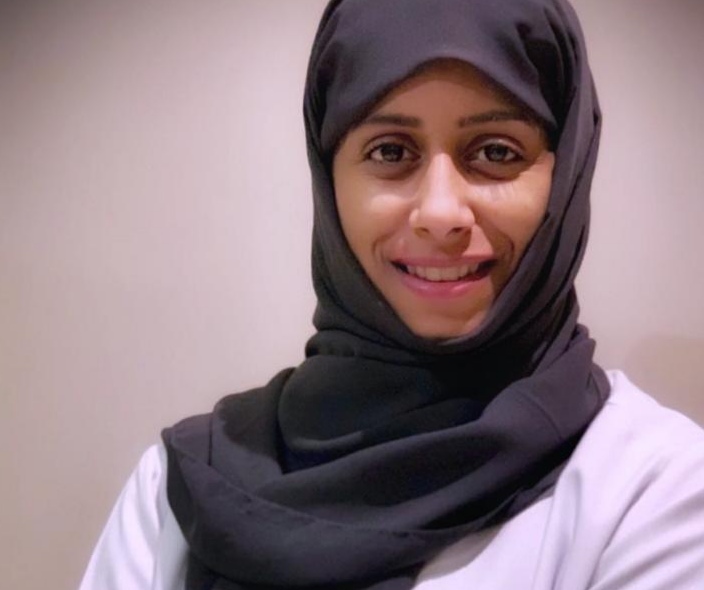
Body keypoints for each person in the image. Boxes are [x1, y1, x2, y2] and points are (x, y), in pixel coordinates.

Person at [79, 0, 704, 588]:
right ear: (330, 180)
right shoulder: (181, 489)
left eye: (495, 151)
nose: (440, 212)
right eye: (390, 151)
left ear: (565, 172)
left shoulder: (654, 492)